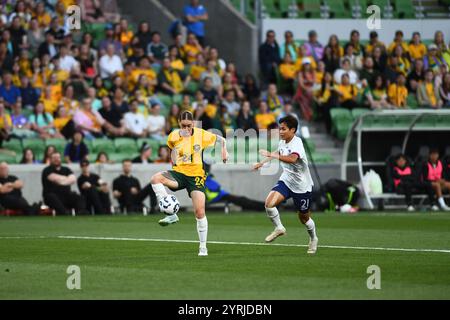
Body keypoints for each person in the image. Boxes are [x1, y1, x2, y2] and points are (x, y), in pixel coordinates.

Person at [150, 111, 228, 256]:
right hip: (179, 173)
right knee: (155, 178)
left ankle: (203, 248)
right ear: (179, 123)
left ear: (193, 124)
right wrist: (174, 164)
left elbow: (222, 139)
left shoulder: (201, 134)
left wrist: (224, 151)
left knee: (200, 212)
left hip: (196, 176)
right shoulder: (173, 136)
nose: (186, 128)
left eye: (189, 126)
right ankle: (171, 214)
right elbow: (172, 151)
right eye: (183, 125)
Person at [253, 115, 318, 254]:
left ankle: (313, 239)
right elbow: (279, 152)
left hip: (301, 186)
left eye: (283, 129)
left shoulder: (297, 143)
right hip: (286, 180)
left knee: (304, 218)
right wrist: (262, 163)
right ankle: (279, 228)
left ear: (292, 130)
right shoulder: (283, 142)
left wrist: (272, 155)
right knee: (269, 204)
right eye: (279, 128)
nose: (280, 132)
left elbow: (293, 159)